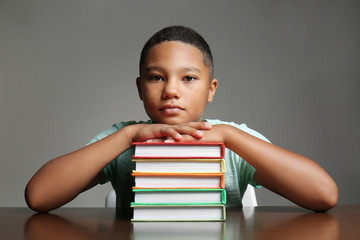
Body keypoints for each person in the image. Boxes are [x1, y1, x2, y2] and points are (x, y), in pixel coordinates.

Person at [25, 26, 338, 213]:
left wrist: (230, 137)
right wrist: (129, 136)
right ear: (139, 87)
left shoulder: (231, 142)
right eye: (156, 77)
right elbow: (38, 196)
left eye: (188, 78)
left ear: (210, 89)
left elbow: (324, 194)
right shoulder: (123, 139)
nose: (171, 90)